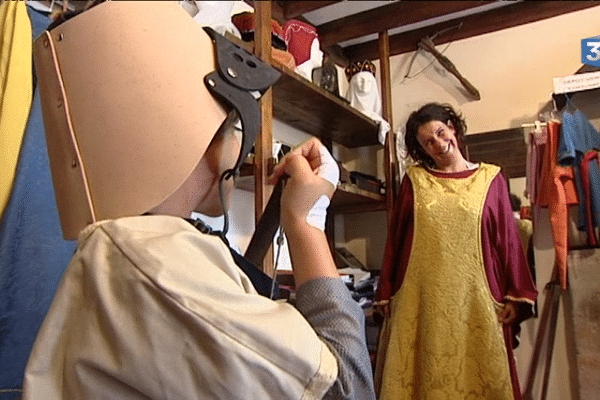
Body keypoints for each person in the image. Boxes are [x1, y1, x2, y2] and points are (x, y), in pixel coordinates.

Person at [22, 2, 375, 399]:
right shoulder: (153, 263)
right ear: (194, 133)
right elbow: (349, 388)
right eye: (234, 127)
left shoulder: (125, 249)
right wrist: (307, 223)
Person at [374, 102, 537, 400]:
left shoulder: (491, 178)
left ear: (452, 127)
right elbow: (396, 239)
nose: (438, 143)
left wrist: (516, 292)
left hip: (478, 299)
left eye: (439, 132)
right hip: (422, 302)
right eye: (428, 142)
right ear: (423, 149)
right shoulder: (415, 180)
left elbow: (509, 240)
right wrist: (385, 289)